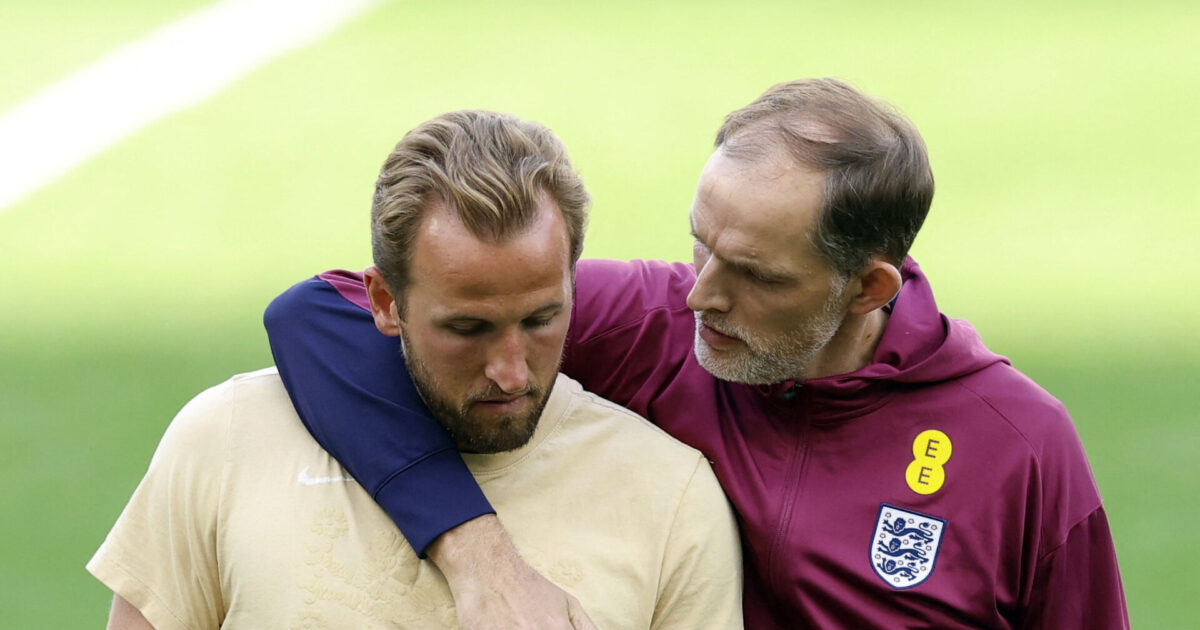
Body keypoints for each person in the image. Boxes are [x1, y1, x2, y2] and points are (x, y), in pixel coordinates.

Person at [264, 79, 1129, 628]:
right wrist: (477, 554)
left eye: (753, 274)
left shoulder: (1019, 448)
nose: (700, 293)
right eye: (699, 244)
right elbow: (319, 317)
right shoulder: (655, 322)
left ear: (868, 289)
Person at [88, 110, 743, 630]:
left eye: (542, 318)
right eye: (467, 329)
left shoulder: (669, 499)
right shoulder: (225, 441)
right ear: (383, 302)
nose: (512, 372)